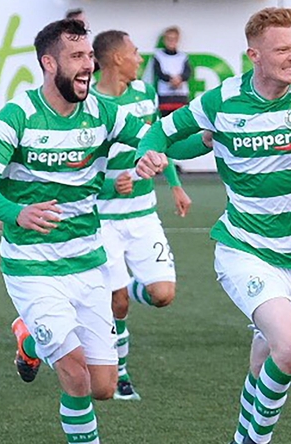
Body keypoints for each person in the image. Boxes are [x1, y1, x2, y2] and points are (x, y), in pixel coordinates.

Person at [134, 7, 291, 444]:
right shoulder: (222, 100)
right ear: (254, 54)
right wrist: (152, 153)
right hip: (244, 248)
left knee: (264, 364)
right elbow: (159, 132)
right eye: (283, 49)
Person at [0, 19, 148, 444]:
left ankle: (28, 341)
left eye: (89, 56)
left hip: (88, 266)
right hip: (31, 268)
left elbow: (152, 136)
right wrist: (17, 213)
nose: (88, 65)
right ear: (49, 63)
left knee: (103, 386)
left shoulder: (103, 111)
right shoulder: (17, 115)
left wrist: (179, 145)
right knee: (75, 372)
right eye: (77, 57)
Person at [90, 29, 197, 400]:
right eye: (134, 52)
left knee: (163, 294)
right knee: (117, 304)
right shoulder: (88, 104)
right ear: (117, 59)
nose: (140, 58)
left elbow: (157, 141)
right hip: (102, 219)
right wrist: (109, 186)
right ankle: (120, 374)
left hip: (143, 215)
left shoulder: (144, 95)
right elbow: (75, 171)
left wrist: (175, 185)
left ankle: (124, 288)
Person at [149, 26, 193, 116]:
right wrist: (171, 79)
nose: (171, 41)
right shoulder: (158, 55)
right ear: (165, 40)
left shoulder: (183, 56)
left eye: (174, 39)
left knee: (181, 121)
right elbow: (159, 72)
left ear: (177, 40)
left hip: (181, 96)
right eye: (169, 39)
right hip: (165, 96)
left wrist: (180, 79)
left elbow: (188, 72)